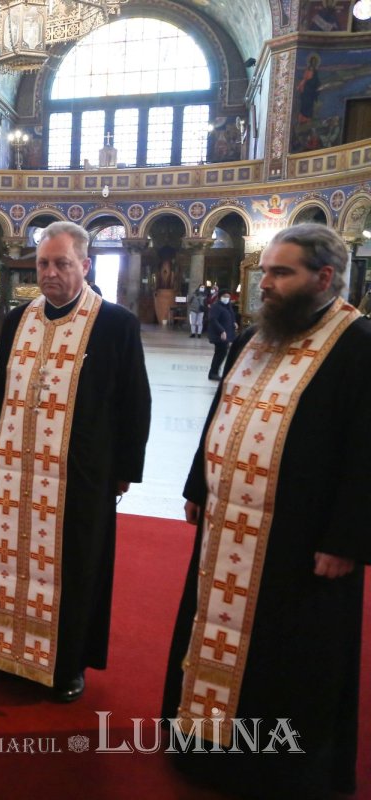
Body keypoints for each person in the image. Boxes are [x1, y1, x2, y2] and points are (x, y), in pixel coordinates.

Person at [162, 223, 371, 796]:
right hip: (230, 524)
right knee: (214, 631)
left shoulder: (358, 344)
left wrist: (348, 538)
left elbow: (366, 450)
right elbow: (222, 412)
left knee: (286, 656)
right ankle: (205, 747)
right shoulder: (258, 336)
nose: (266, 284)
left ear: (324, 278)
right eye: (267, 272)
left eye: (282, 273)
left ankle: (276, 768)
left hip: (302, 541)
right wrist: (198, 486)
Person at [0, 221, 151, 702]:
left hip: (81, 475)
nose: (50, 273)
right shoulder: (18, 320)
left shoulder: (116, 324)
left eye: (61, 263)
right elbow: (1, 389)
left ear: (85, 265)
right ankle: (9, 651)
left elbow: (135, 403)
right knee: (11, 562)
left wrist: (123, 470)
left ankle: (66, 663)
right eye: (42, 264)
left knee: (75, 567)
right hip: (18, 470)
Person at [206, 287, 237, 380]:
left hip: (227, 334)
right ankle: (213, 373)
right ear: (220, 297)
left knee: (222, 354)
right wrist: (221, 331)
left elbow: (231, 316)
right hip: (219, 335)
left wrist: (234, 322)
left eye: (228, 296)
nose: (226, 298)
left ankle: (215, 372)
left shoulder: (228, 307)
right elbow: (213, 320)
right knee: (219, 354)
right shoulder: (216, 306)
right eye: (224, 296)